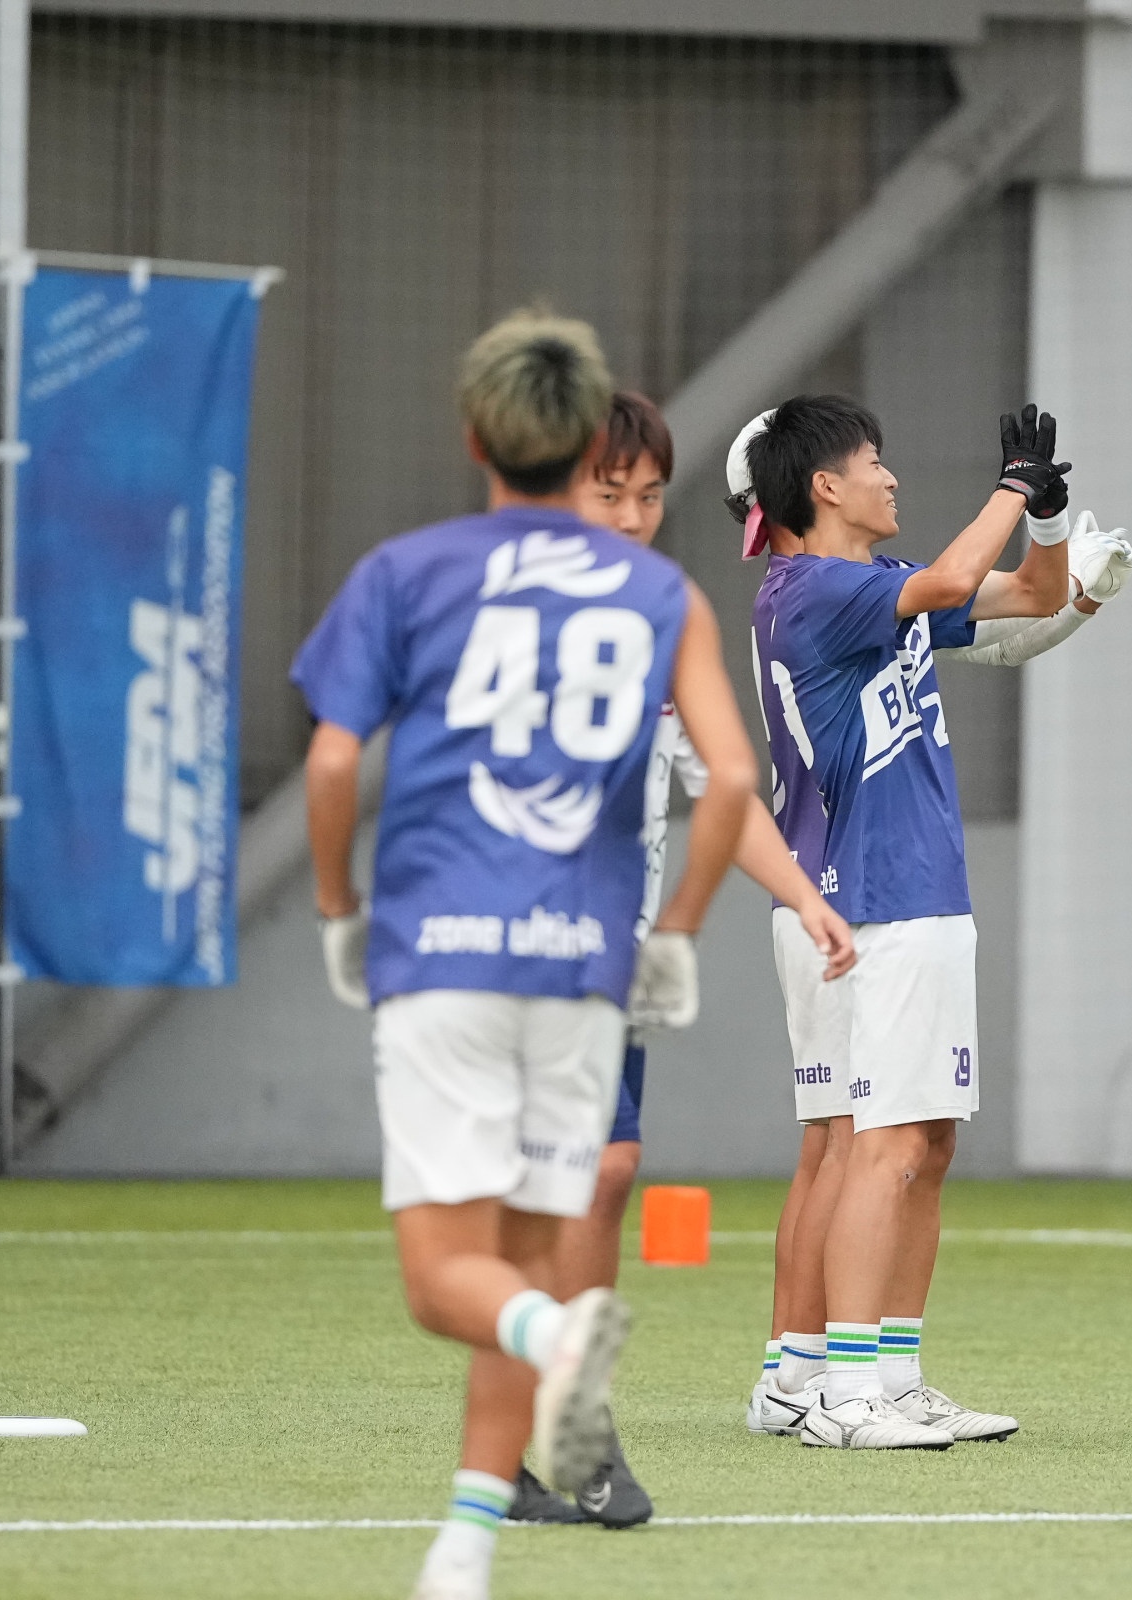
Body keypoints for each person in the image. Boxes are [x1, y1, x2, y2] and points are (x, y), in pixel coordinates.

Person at [296, 310, 775, 1600]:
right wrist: (677, 935)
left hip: (444, 958)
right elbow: (732, 780)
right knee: (517, 1251)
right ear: (583, 450)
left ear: (477, 438)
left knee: (448, 1281)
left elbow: (333, 761)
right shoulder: (661, 593)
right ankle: (465, 1549)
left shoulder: (407, 570)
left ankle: (557, 1340)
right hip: (584, 970)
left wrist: (338, 906)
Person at [737, 400, 1132, 1444]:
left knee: (884, 1143)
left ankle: (827, 1375)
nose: (890, 476)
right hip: (882, 896)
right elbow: (961, 580)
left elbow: (1031, 595)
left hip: (855, 894)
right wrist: (1013, 484)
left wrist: (1048, 521)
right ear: (823, 485)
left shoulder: (854, 588)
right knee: (888, 1144)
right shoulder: (823, 587)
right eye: (873, 460)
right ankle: (850, 1392)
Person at [506, 392, 856, 1526]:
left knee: (604, 1175)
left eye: (650, 496)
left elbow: (723, 787)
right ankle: (535, 1435)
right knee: (569, 1180)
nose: (632, 515)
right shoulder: (499, 611)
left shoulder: (663, 624)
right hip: (511, 944)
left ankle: (565, 1425)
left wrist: (803, 895)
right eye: (608, 493)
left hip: (613, 954)